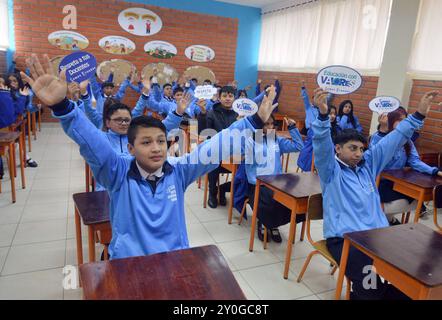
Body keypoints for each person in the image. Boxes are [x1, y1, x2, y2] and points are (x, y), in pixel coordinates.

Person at [22, 53, 278, 260]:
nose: (156, 148)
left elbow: (215, 147)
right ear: (130, 148)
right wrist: (62, 107)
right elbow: (92, 142)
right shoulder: (117, 172)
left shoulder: (177, 170)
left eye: (160, 141)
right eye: (146, 142)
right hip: (128, 263)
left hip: (173, 259)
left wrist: (253, 121)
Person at [312, 87, 439, 300]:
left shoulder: (368, 165)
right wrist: (323, 116)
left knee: (412, 268)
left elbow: (395, 138)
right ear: (338, 149)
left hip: (378, 236)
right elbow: (321, 144)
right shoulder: (330, 171)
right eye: (352, 148)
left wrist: (419, 115)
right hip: (345, 240)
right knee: (370, 284)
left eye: (361, 149)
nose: (358, 154)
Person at [370, 107, 442, 224]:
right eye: (400, 120)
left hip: (397, 181)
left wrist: (435, 171)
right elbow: (375, 155)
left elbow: (415, 162)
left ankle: (386, 218)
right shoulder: (378, 137)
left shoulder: (407, 141)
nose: (404, 123)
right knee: (405, 200)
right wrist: (383, 128)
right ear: (390, 120)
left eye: (405, 120)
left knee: (415, 200)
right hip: (378, 182)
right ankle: (374, 214)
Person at [245, 115, 304, 242]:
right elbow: (248, 165)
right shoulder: (252, 140)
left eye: (272, 124)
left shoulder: (277, 139)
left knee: (288, 201)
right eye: (266, 124)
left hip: (276, 182)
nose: (270, 127)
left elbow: (299, 147)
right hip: (257, 183)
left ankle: (273, 224)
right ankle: (263, 222)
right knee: (268, 201)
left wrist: (292, 128)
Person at [197, 86, 238, 208]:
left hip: (233, 153)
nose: (227, 98)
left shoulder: (238, 114)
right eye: (224, 96)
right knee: (214, 162)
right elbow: (204, 132)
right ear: (219, 98)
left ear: (234, 98)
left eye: (230, 96)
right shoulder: (211, 113)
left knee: (243, 169)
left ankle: (223, 190)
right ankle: (212, 193)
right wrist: (203, 113)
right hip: (216, 151)